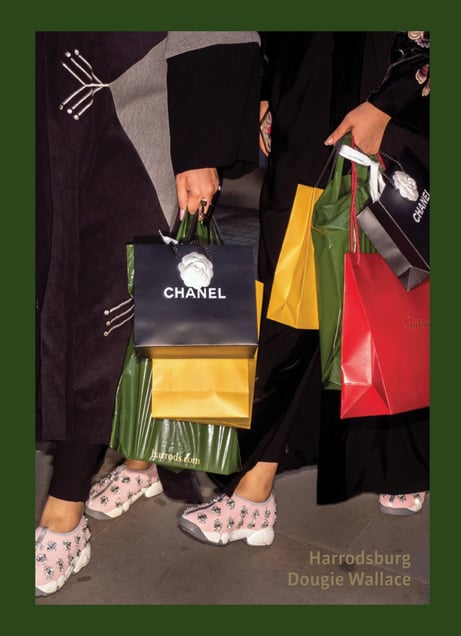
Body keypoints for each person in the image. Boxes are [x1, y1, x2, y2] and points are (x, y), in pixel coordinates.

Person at [177, 31, 430, 546]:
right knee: (290, 296)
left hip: (389, 95)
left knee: (391, 276)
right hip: (304, 103)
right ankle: (255, 487)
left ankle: (399, 455)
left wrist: (389, 101)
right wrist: (263, 86)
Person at [35, 31, 262, 596]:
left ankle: (65, 513)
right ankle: (142, 458)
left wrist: (201, 149)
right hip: (45, 108)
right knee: (95, 307)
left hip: (126, 124)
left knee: (98, 313)